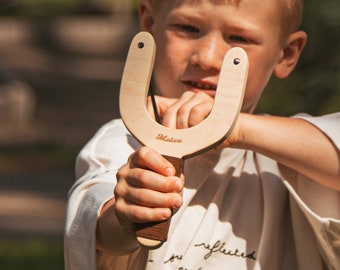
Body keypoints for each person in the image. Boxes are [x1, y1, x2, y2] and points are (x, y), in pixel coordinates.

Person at [64, 0, 340, 269]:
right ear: (149, 24)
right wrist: (127, 215)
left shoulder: (297, 153)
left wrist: (232, 128)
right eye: (188, 28)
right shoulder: (125, 141)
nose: (206, 58)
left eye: (238, 38)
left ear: (287, 54)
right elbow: (97, 223)